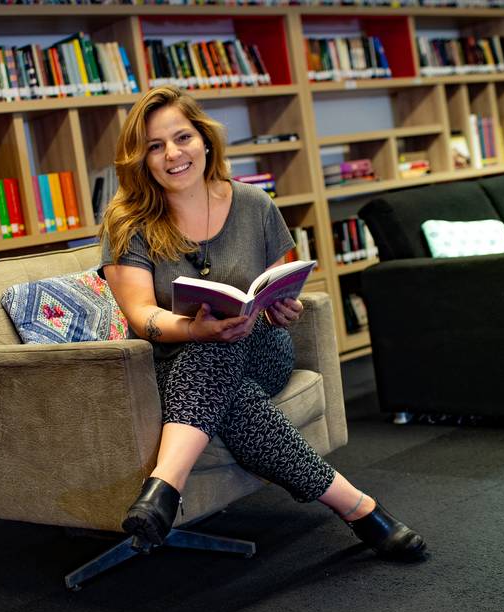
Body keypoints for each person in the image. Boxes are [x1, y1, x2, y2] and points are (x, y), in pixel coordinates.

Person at [98, 86, 426, 561]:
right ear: (142, 159)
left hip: (264, 348)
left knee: (224, 347)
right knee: (226, 381)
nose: (172, 154)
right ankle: (362, 510)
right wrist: (193, 329)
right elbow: (140, 314)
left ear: (205, 141)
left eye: (182, 137)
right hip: (172, 363)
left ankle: (164, 486)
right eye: (155, 146)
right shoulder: (128, 223)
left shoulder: (254, 205)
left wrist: (281, 308)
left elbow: (281, 285)